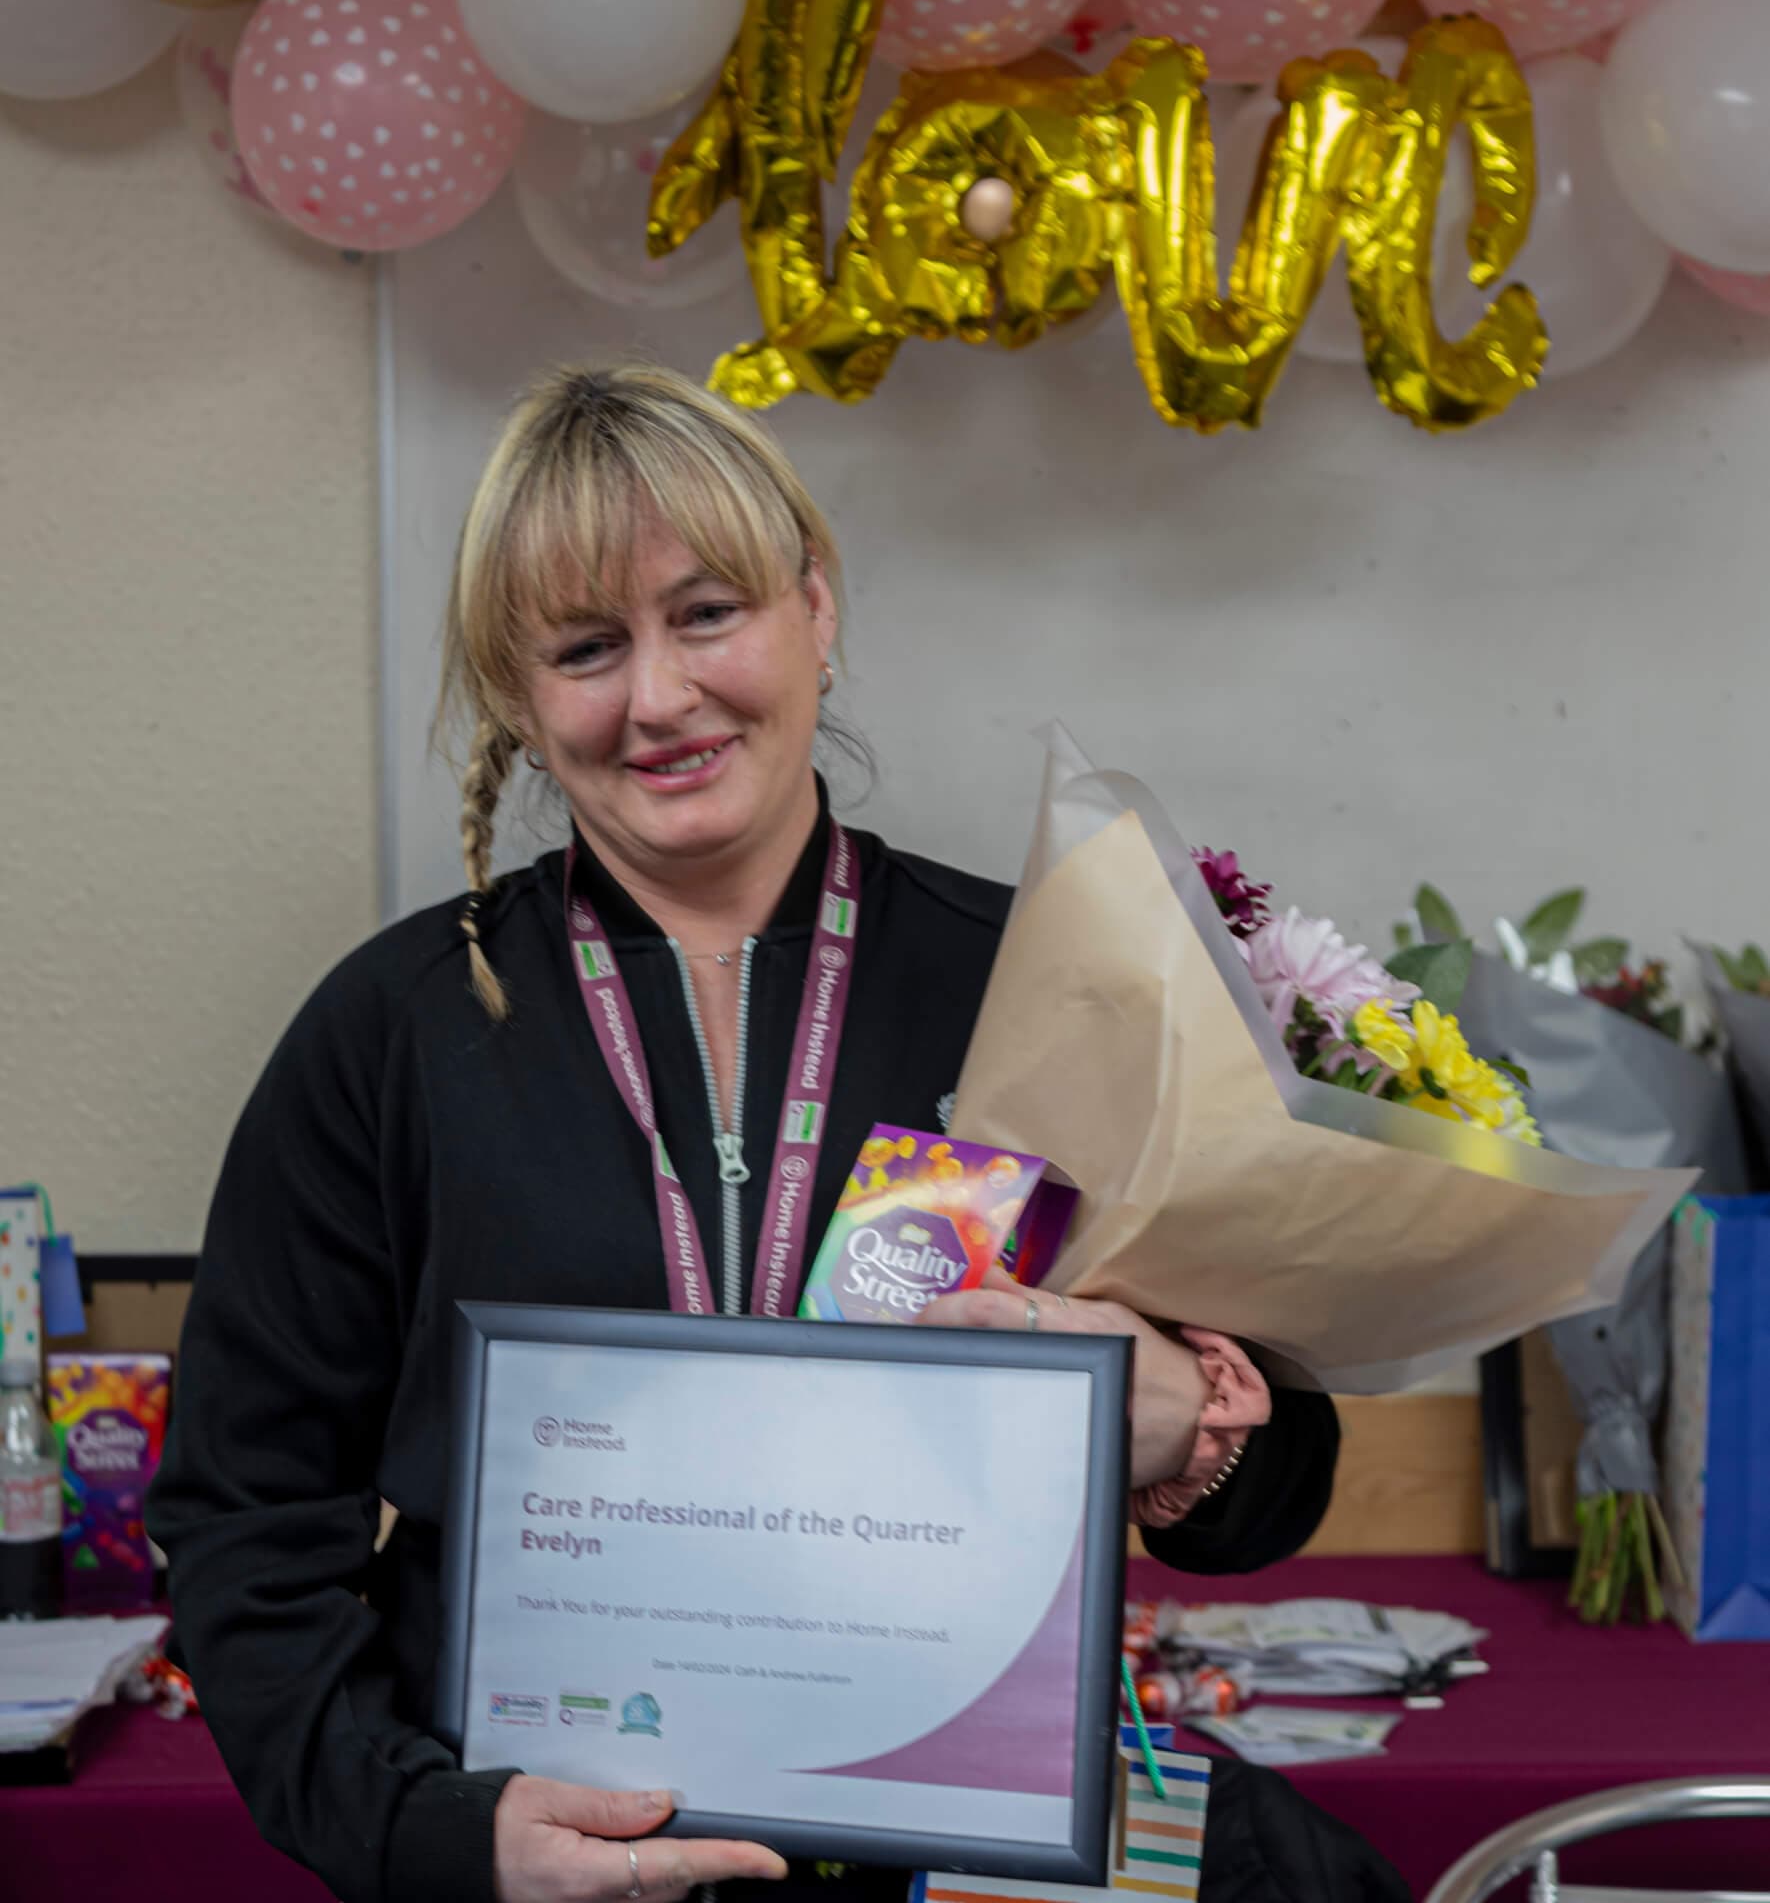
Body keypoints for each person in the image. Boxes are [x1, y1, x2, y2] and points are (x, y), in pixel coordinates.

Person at [149, 365, 1346, 1903]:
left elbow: (1275, 1492)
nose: (658, 697)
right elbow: (246, 1511)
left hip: (966, 1863)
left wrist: (1192, 1412)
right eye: (587, 648)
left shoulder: (1037, 985)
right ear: (520, 700)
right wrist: (425, 1832)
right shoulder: (394, 1031)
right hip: (556, 1863)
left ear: (814, 611)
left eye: (706, 614)